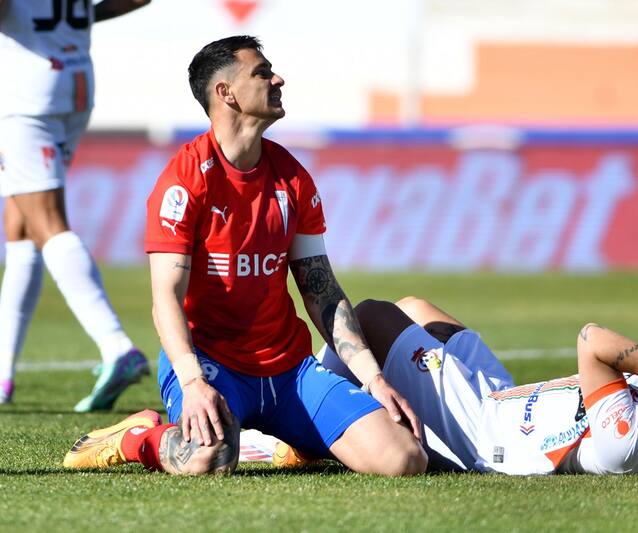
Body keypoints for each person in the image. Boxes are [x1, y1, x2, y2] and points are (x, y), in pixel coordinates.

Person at [63, 35, 426, 476]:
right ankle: (138, 435)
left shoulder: (292, 178)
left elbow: (323, 292)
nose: (278, 79)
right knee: (206, 459)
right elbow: (165, 299)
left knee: (404, 459)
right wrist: (192, 381)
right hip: (212, 366)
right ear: (226, 93)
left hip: (290, 371)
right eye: (262, 72)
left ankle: (291, 442)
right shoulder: (184, 180)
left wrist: (373, 379)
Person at [262, 296, 638, 477]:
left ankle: (308, 416)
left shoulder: (628, 445)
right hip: (507, 397)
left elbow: (591, 341)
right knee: (416, 308)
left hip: (486, 432)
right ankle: (335, 405)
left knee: (371, 317)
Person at [0, 0, 152, 410]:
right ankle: (3, 371)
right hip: (76, 82)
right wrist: (86, 14)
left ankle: (116, 346)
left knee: (45, 221)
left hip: (27, 94)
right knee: (21, 224)